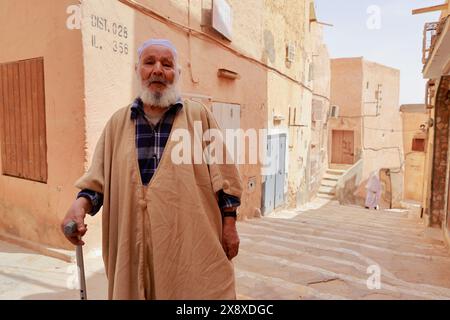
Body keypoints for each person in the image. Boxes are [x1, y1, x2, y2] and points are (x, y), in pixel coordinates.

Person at [61, 39, 243, 300]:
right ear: (138, 71)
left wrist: (230, 225)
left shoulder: (198, 116)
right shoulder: (117, 124)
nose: (157, 70)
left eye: (167, 64)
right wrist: (78, 208)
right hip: (132, 243)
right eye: (149, 62)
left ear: (177, 74)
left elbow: (225, 177)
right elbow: (95, 184)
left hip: (188, 243)